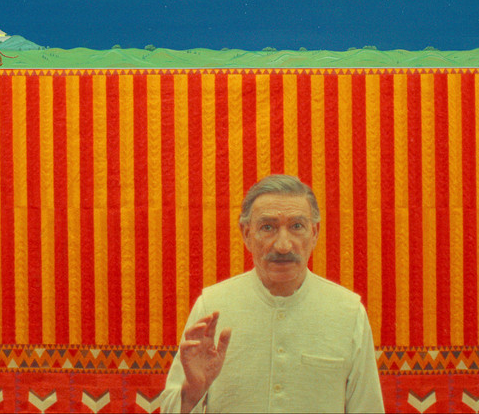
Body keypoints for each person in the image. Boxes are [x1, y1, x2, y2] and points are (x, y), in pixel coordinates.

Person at [160, 174, 384, 413]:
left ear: (315, 232)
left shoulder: (348, 312)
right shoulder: (212, 307)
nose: (283, 246)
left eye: (297, 226)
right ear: (246, 233)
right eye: (268, 227)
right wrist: (192, 391)